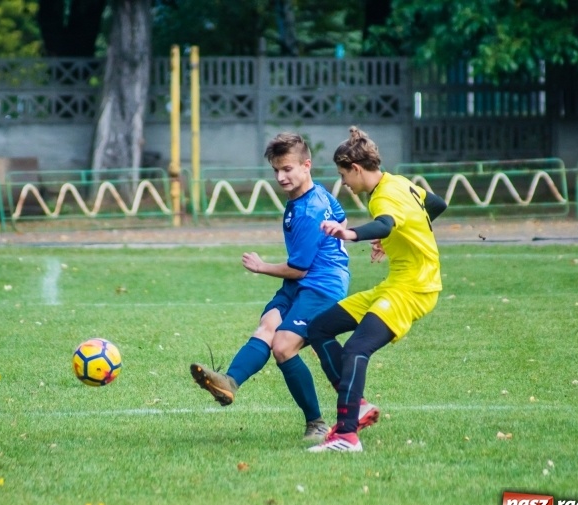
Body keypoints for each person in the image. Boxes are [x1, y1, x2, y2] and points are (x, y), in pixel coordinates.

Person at [191, 132, 374, 441]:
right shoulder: (314, 196)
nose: (281, 176)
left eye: (287, 169)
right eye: (276, 170)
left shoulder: (309, 210)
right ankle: (228, 383)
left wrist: (262, 267)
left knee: (283, 346)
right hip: (301, 282)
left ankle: (316, 423)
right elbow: (340, 219)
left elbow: (299, 268)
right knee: (266, 328)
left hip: (321, 286)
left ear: (306, 165)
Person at [306, 126, 447, 452]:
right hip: (394, 285)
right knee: (320, 329)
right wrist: (396, 237)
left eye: (344, 175)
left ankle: (346, 434)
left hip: (414, 289)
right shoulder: (398, 182)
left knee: (356, 349)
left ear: (356, 168)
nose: (344, 183)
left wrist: (349, 233)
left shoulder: (383, 195)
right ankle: (360, 406)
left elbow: (384, 222)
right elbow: (437, 204)